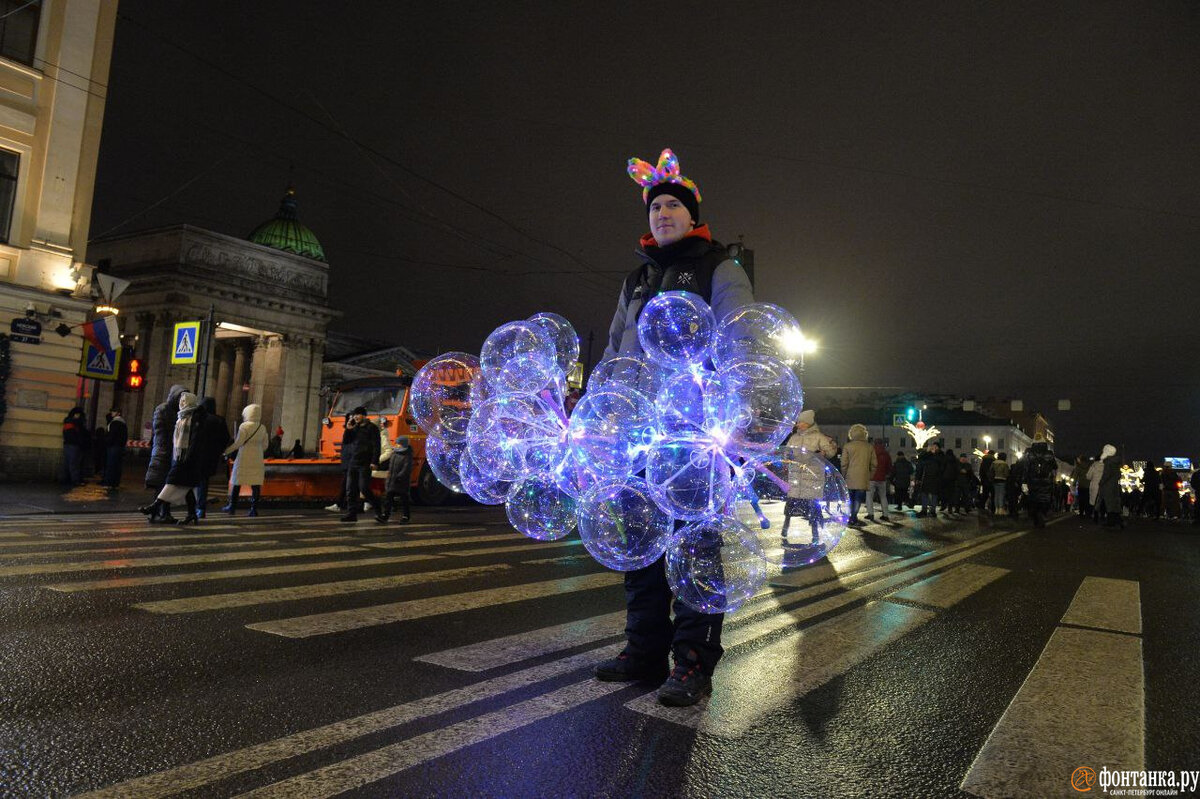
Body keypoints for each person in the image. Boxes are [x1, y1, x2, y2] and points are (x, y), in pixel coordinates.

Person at [592, 148, 753, 708]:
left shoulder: (719, 268)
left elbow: (742, 342)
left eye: (672, 207)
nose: (662, 214)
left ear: (693, 216)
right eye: (655, 206)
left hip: (691, 434)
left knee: (694, 547)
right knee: (639, 542)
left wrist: (739, 411)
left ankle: (692, 662)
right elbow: (615, 350)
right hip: (636, 433)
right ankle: (643, 651)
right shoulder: (637, 278)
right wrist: (598, 410)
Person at [138, 392, 212, 525]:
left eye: (184, 401)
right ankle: (191, 514)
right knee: (186, 487)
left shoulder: (196, 418)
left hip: (187, 459)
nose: (182, 403)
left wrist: (187, 456)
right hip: (179, 456)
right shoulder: (182, 417)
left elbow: (196, 441)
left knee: (171, 481)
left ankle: (155, 506)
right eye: (181, 401)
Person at [781, 410, 839, 545]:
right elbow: (786, 453)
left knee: (812, 506)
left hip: (812, 477)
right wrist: (787, 456)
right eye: (798, 422)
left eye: (800, 422)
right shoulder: (794, 437)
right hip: (796, 476)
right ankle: (785, 528)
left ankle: (815, 534)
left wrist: (824, 452)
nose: (798, 424)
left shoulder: (819, 437)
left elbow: (831, 452)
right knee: (791, 504)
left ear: (807, 423)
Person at [145, 384, 187, 521]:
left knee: (168, 484)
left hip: (172, 451)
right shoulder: (163, 409)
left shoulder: (181, 411)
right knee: (162, 484)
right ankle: (159, 513)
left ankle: (161, 512)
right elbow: (160, 431)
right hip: (164, 451)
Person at [222, 404, 268, 516]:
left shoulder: (244, 426)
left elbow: (238, 443)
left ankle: (232, 507)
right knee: (255, 484)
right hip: (257, 458)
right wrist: (257, 450)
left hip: (244, 457)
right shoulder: (262, 427)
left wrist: (226, 451)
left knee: (237, 482)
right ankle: (253, 509)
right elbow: (265, 445)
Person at [340, 405, 382, 522]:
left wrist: (374, 461)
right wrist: (348, 429)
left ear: (363, 416)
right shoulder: (355, 428)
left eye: (357, 415)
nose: (355, 417)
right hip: (353, 462)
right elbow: (346, 441)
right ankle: (351, 514)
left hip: (365, 463)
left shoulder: (372, 428)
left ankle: (378, 509)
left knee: (364, 488)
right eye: (354, 415)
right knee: (350, 489)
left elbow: (376, 446)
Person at [193, 397, 231, 518]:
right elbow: (226, 438)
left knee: (193, 480)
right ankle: (200, 508)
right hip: (211, 457)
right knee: (204, 481)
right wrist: (218, 451)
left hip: (197, 454)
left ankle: (196, 506)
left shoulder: (200, 418)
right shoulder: (220, 420)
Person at [841, 424, 876, 526]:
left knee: (850, 498)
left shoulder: (847, 446)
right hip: (863, 476)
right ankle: (853, 516)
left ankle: (851, 517)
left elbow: (844, 464)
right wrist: (871, 475)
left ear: (851, 434)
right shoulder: (869, 447)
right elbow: (874, 464)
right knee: (858, 498)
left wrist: (844, 475)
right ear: (865, 434)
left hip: (849, 476)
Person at [379, 435, 413, 524]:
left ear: (403, 445)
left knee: (404, 498)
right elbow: (390, 465)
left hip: (401, 481)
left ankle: (406, 516)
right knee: (388, 498)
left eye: (399, 444)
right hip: (391, 480)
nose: (397, 445)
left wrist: (399, 476)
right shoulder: (395, 453)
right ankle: (385, 515)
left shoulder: (407, 455)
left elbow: (406, 468)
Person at [913, 442, 944, 518]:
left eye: (936, 447)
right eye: (933, 446)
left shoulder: (941, 455)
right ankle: (924, 510)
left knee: (934, 495)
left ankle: (933, 511)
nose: (934, 448)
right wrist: (928, 451)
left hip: (936, 478)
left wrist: (934, 454)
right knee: (924, 493)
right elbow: (920, 457)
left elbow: (942, 463)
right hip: (926, 477)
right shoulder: (928, 454)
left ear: (939, 448)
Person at [1096, 444, 1123, 528]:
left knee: (1109, 504)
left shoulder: (1108, 462)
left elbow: (1106, 474)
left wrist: (1101, 482)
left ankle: (1110, 522)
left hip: (1107, 486)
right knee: (1114, 504)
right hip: (1114, 485)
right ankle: (1118, 521)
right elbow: (1118, 475)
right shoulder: (1116, 462)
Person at [866, 439, 892, 521]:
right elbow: (889, 466)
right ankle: (885, 515)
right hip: (882, 478)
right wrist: (887, 474)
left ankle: (870, 514)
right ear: (882, 444)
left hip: (871, 478)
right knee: (883, 497)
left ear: (874, 443)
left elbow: (867, 464)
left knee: (869, 496)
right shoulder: (886, 454)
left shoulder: (871, 453)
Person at [61, 407, 88, 486]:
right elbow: (73, 436)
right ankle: (75, 480)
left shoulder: (69, 423)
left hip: (70, 445)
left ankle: (66, 479)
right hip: (73, 445)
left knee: (68, 463)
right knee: (74, 463)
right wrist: (79, 442)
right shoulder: (73, 424)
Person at [102, 409, 128, 489]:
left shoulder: (114, 423)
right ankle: (115, 483)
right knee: (117, 466)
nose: (111, 413)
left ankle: (108, 483)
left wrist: (107, 442)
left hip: (113, 446)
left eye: (113, 412)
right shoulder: (123, 423)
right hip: (120, 447)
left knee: (111, 465)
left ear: (118, 413)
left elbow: (111, 435)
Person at [1086, 451, 1106, 523]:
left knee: (1093, 501)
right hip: (1103, 485)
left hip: (1094, 485)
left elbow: (1088, 476)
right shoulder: (1106, 466)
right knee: (1102, 501)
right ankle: (1103, 515)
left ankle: (1094, 516)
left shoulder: (1093, 466)